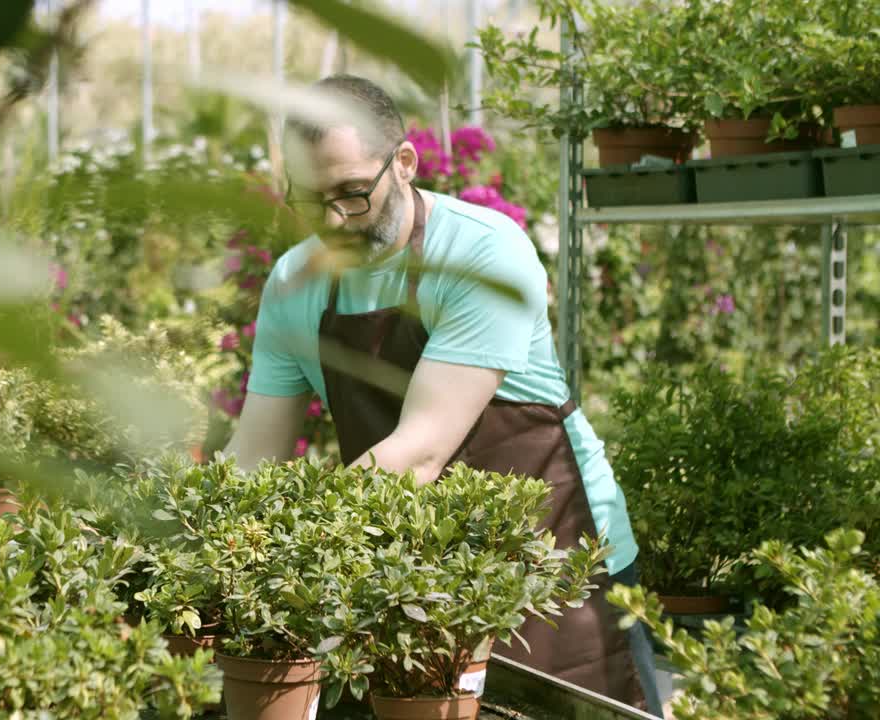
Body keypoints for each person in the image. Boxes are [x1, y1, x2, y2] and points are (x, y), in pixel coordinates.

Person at [220, 74, 663, 716]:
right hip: (413, 574)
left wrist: (294, 550)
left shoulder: (481, 254)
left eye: (352, 194)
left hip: (557, 558)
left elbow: (420, 452)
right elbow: (254, 453)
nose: (334, 222)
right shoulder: (295, 284)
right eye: (311, 201)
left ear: (403, 163)